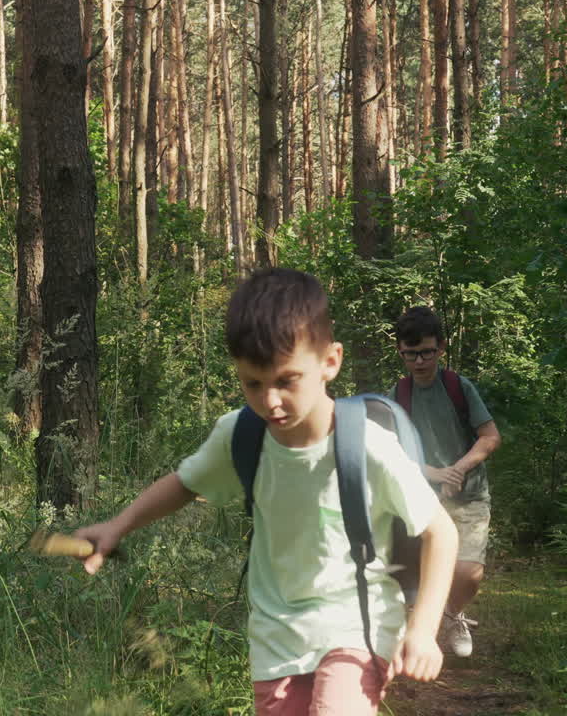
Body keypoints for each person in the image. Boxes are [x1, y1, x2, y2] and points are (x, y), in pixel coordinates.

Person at [75, 268, 459, 715]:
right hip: (276, 637)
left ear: (330, 362)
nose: (269, 400)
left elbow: (441, 532)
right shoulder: (241, 434)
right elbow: (184, 484)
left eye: (286, 380)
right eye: (253, 383)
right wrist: (118, 526)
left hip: (357, 624)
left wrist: (422, 630)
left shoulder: (368, 445)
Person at [390, 306, 502, 659]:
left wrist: (458, 469)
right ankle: (417, 628)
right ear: (400, 352)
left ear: (441, 348)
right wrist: (432, 473)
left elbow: (489, 436)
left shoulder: (458, 387)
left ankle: (453, 614)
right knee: (417, 572)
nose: (420, 361)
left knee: (468, 572)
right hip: (421, 499)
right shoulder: (398, 395)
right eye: (411, 354)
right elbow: (389, 450)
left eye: (427, 352)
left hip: (469, 495)